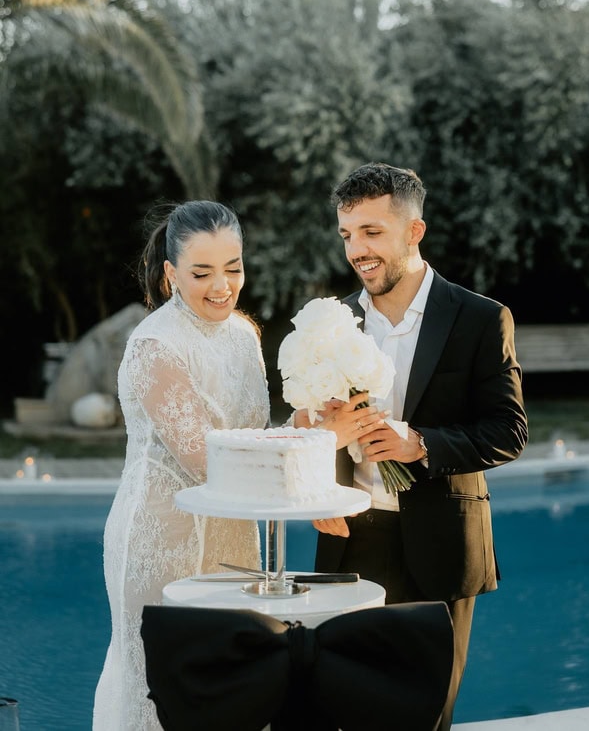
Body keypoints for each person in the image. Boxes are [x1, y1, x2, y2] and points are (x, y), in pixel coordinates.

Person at [311, 163, 528, 731]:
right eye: (347, 235)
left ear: (415, 231)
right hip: (349, 540)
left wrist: (420, 444)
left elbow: (509, 432)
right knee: (343, 711)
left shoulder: (480, 318)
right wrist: (318, 485)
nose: (356, 249)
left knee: (424, 716)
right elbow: (310, 432)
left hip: (441, 546)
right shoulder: (332, 325)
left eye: (372, 232)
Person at [93, 200, 269, 731]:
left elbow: (255, 438)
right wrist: (312, 441)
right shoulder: (154, 345)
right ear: (170, 274)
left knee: (237, 685)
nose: (222, 285)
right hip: (160, 542)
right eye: (202, 272)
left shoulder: (246, 335)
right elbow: (206, 461)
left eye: (233, 268)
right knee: (160, 693)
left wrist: (313, 418)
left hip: (236, 538)